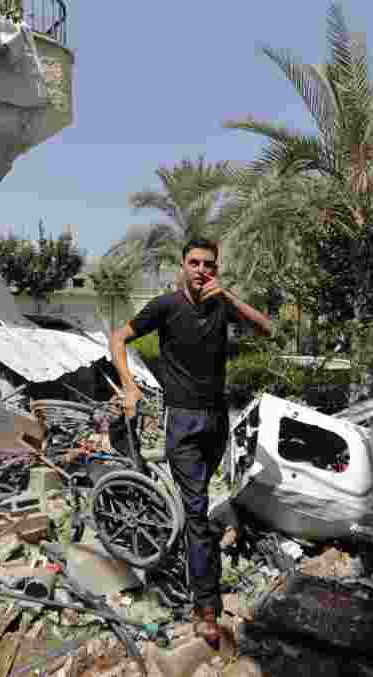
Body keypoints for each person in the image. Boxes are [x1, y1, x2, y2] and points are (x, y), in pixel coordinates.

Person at [108, 236, 272, 645]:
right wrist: (129, 385)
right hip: (181, 421)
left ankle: (192, 559)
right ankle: (207, 608)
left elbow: (268, 330)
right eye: (195, 263)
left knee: (196, 502)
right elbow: (117, 337)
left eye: (209, 265)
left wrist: (230, 299)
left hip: (217, 420)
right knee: (197, 511)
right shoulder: (165, 306)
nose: (202, 270)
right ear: (183, 266)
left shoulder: (221, 304)